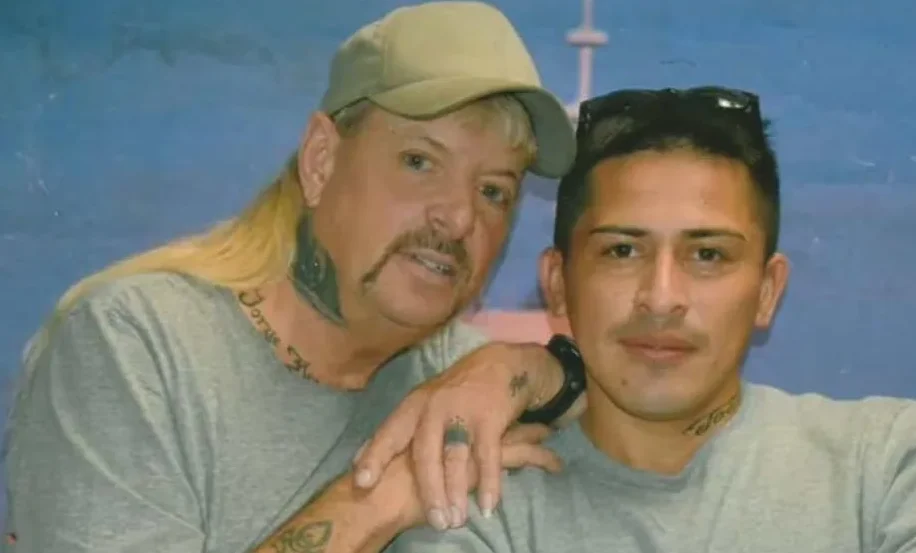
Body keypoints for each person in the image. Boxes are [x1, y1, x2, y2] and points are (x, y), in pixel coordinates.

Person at [2, 3, 592, 553]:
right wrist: (378, 499)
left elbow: (628, 398)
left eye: (494, 191)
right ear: (320, 160)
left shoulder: (458, 380)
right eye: (419, 162)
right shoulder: (136, 348)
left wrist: (520, 369)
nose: (459, 217)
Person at [388, 86, 916, 552]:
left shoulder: (886, 464)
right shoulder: (481, 508)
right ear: (558, 285)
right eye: (622, 251)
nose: (661, 297)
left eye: (707, 255)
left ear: (767, 291)